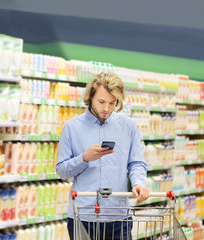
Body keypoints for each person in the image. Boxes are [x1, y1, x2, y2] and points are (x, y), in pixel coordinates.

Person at [56, 72, 150, 240]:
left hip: (118, 215)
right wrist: (84, 158)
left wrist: (139, 183)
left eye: (112, 103)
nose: (106, 108)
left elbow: (136, 162)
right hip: (82, 216)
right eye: (101, 101)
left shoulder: (128, 126)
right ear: (91, 96)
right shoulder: (71, 127)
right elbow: (62, 171)